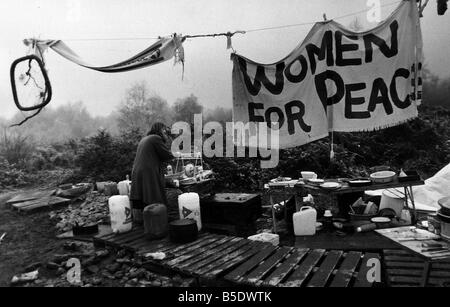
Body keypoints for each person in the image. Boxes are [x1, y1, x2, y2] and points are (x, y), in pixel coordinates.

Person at [130, 122, 177, 223]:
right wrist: (176, 154)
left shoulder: (146, 138)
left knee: (142, 194)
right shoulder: (155, 138)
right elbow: (166, 154)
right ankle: (157, 218)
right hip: (148, 171)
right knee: (152, 193)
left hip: (137, 170)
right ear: (159, 130)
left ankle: (144, 219)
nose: (165, 132)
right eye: (164, 130)